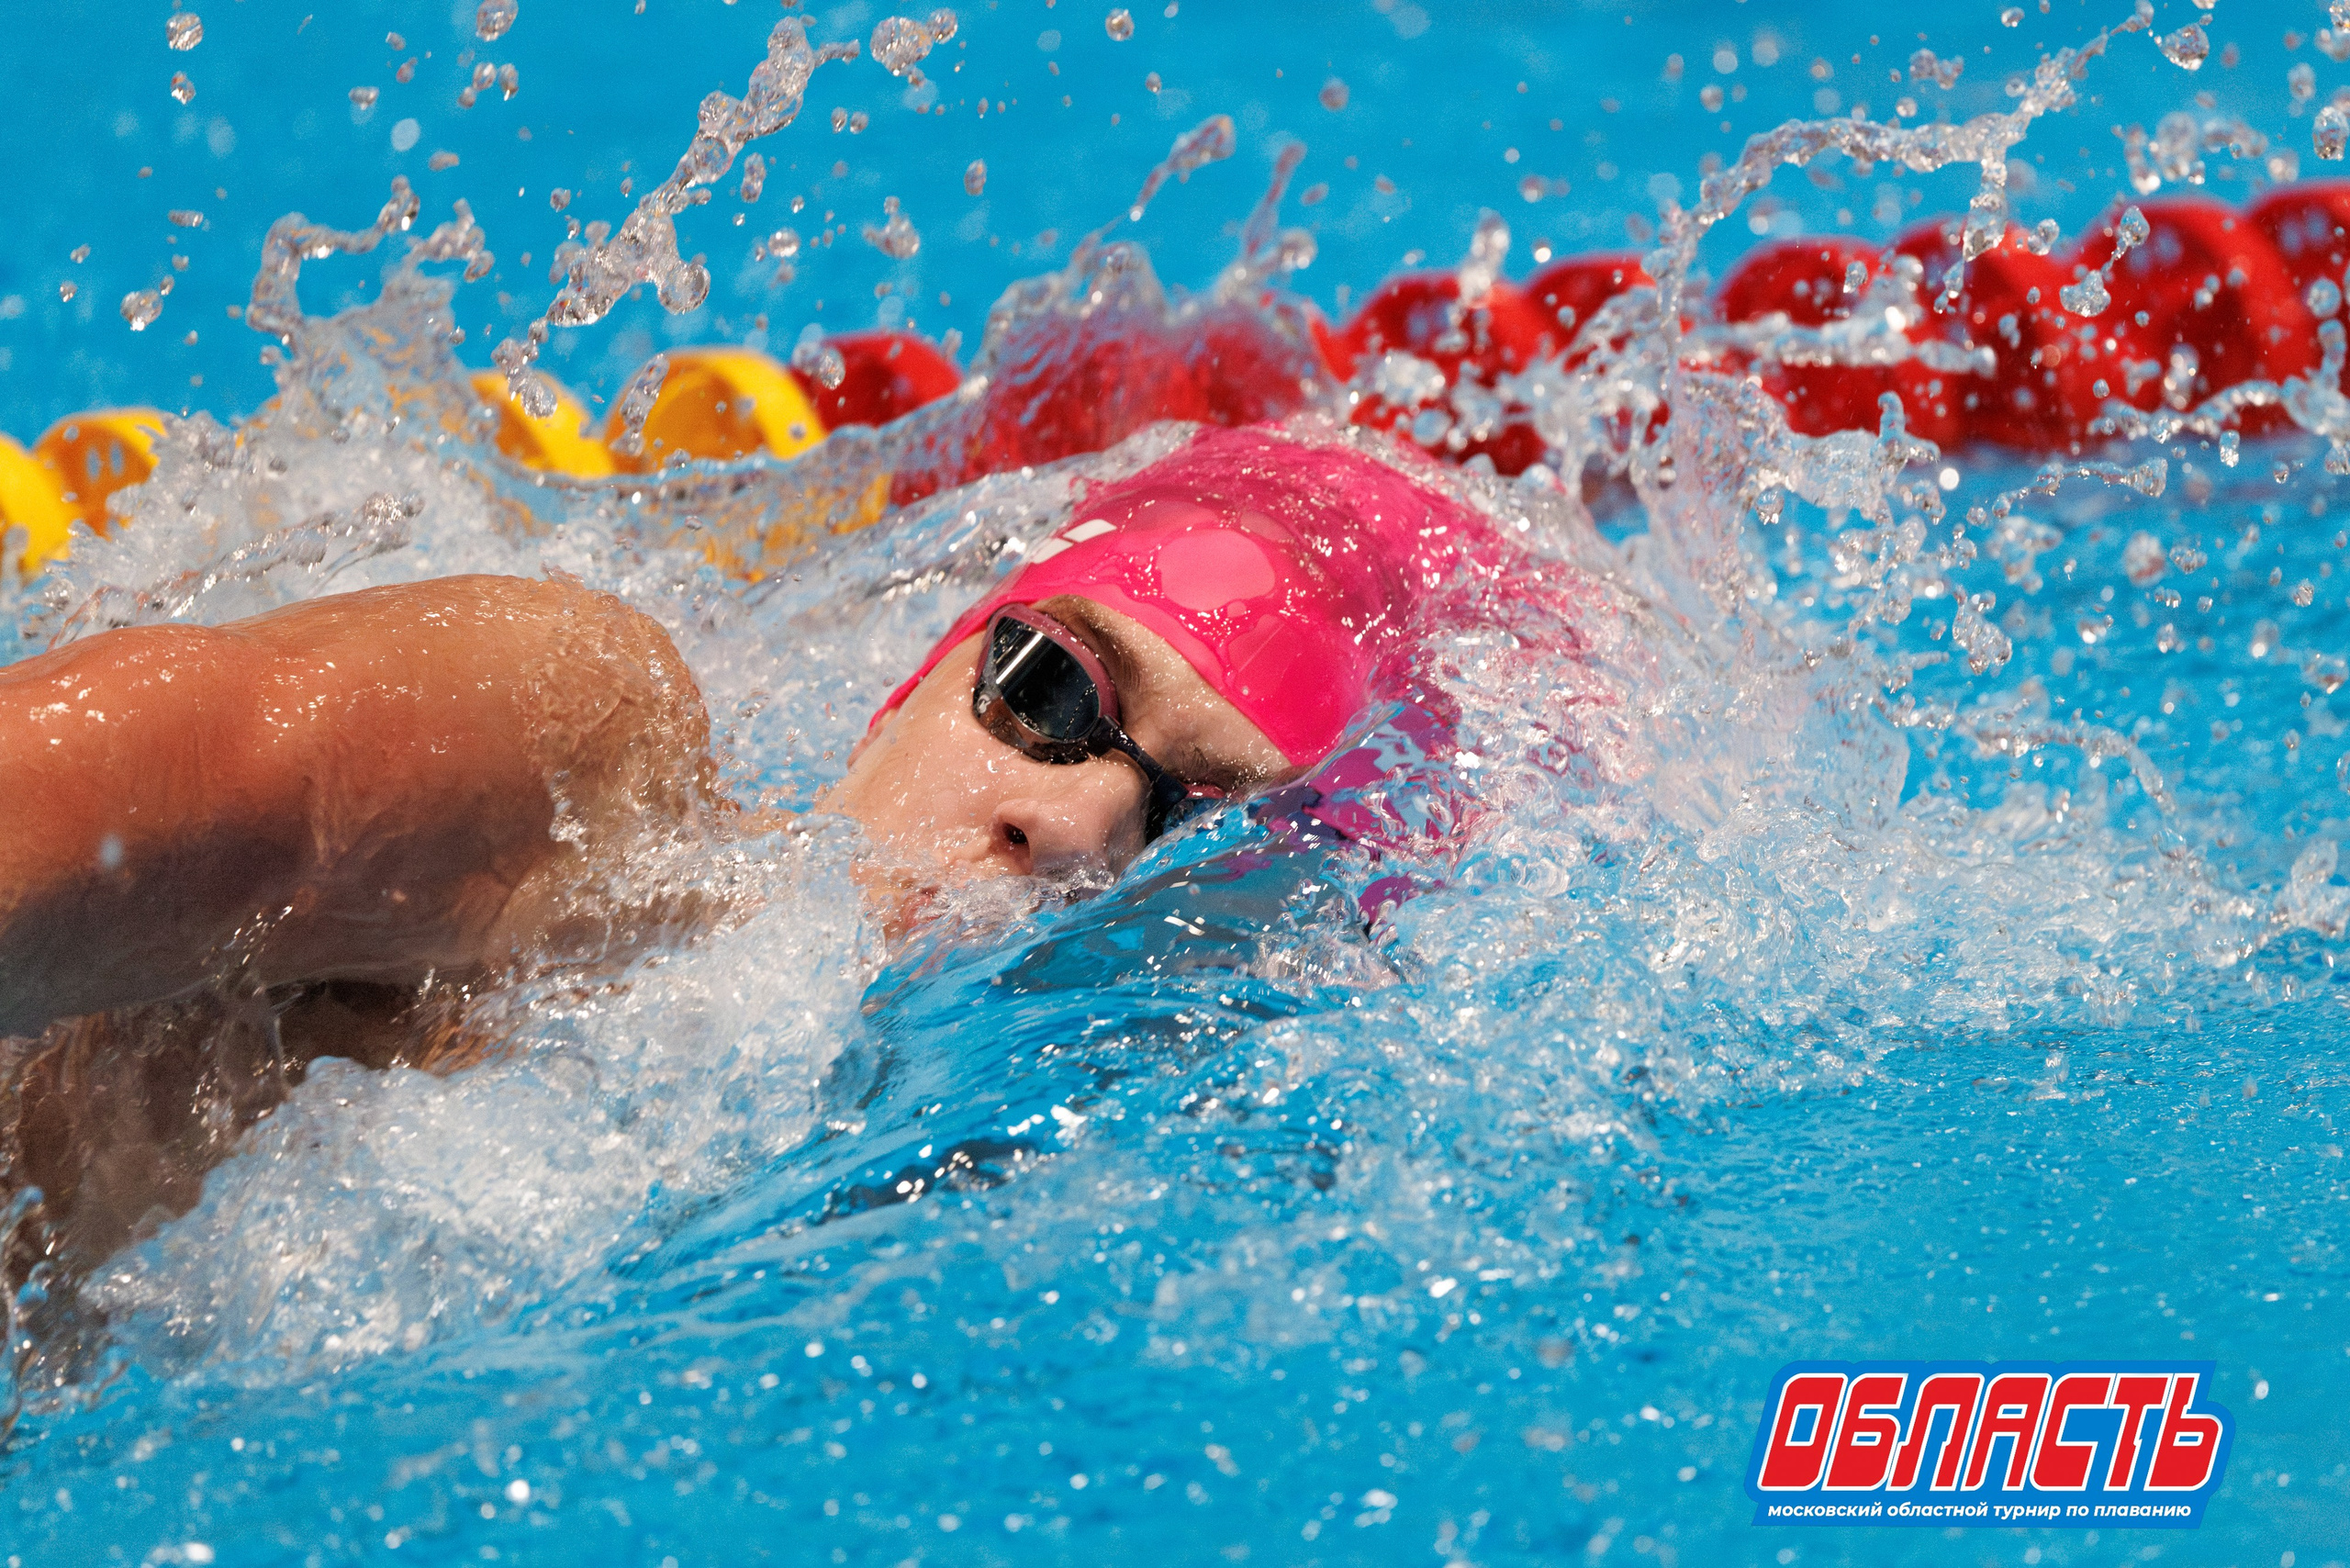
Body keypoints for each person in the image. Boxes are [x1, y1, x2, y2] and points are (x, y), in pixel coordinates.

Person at [0, 421, 1506, 1264]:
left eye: (1201, 823)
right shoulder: (572, 763)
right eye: (1054, 690)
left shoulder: (1026, 1243)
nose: (1070, 821)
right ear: (922, 670)